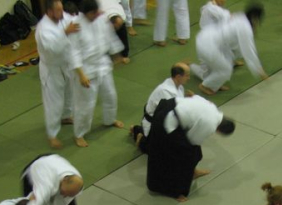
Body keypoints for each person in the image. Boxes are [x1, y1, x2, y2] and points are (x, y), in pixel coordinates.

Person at [147, 95, 235, 202]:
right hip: (166, 121)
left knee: (195, 153)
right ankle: (174, 191)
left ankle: (193, 172)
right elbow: (192, 141)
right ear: (219, 131)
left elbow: (195, 96)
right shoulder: (210, 125)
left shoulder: (214, 109)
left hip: (169, 106)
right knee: (184, 157)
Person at [70, 0, 124, 148]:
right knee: (85, 104)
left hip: (102, 64)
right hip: (86, 68)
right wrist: (81, 74)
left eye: (96, 12)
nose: (96, 15)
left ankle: (110, 119)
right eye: (92, 13)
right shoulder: (76, 25)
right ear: (85, 13)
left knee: (110, 95)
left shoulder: (101, 18)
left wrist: (117, 54)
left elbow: (110, 37)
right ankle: (79, 134)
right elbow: (73, 52)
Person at [35, 0, 80, 149]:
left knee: (69, 92)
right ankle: (52, 134)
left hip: (66, 63)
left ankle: (66, 116)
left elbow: (74, 20)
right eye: (59, 10)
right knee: (54, 102)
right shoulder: (43, 29)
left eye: (62, 9)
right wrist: (66, 32)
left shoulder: (62, 17)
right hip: (51, 69)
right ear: (49, 12)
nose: (62, 13)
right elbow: (52, 49)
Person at [194, 5, 268, 95]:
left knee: (226, 61)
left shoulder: (239, 16)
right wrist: (259, 70)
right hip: (208, 45)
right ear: (255, 18)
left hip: (206, 37)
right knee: (226, 70)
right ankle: (205, 85)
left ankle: (215, 83)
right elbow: (249, 51)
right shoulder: (245, 28)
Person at [130, 63, 192, 153]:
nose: (189, 78)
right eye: (187, 75)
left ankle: (137, 130)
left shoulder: (179, 86)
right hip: (155, 122)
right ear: (178, 76)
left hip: (163, 119)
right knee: (159, 152)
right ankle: (141, 139)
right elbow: (173, 114)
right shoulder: (165, 91)